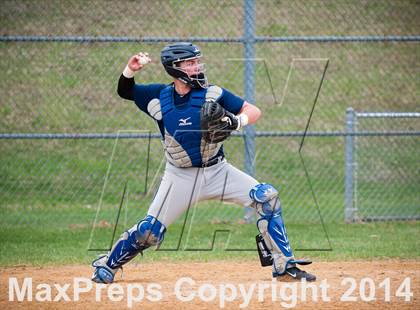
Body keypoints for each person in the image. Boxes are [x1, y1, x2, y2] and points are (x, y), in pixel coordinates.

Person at [91, 42, 316, 283]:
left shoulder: (212, 93)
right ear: (175, 68)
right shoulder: (158, 96)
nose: (197, 66)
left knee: (267, 198)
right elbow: (126, 90)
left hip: (218, 172)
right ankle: (107, 264)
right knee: (149, 232)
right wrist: (130, 69)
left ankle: (283, 265)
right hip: (179, 177)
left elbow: (253, 110)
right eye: (190, 63)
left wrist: (237, 121)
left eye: (197, 61)